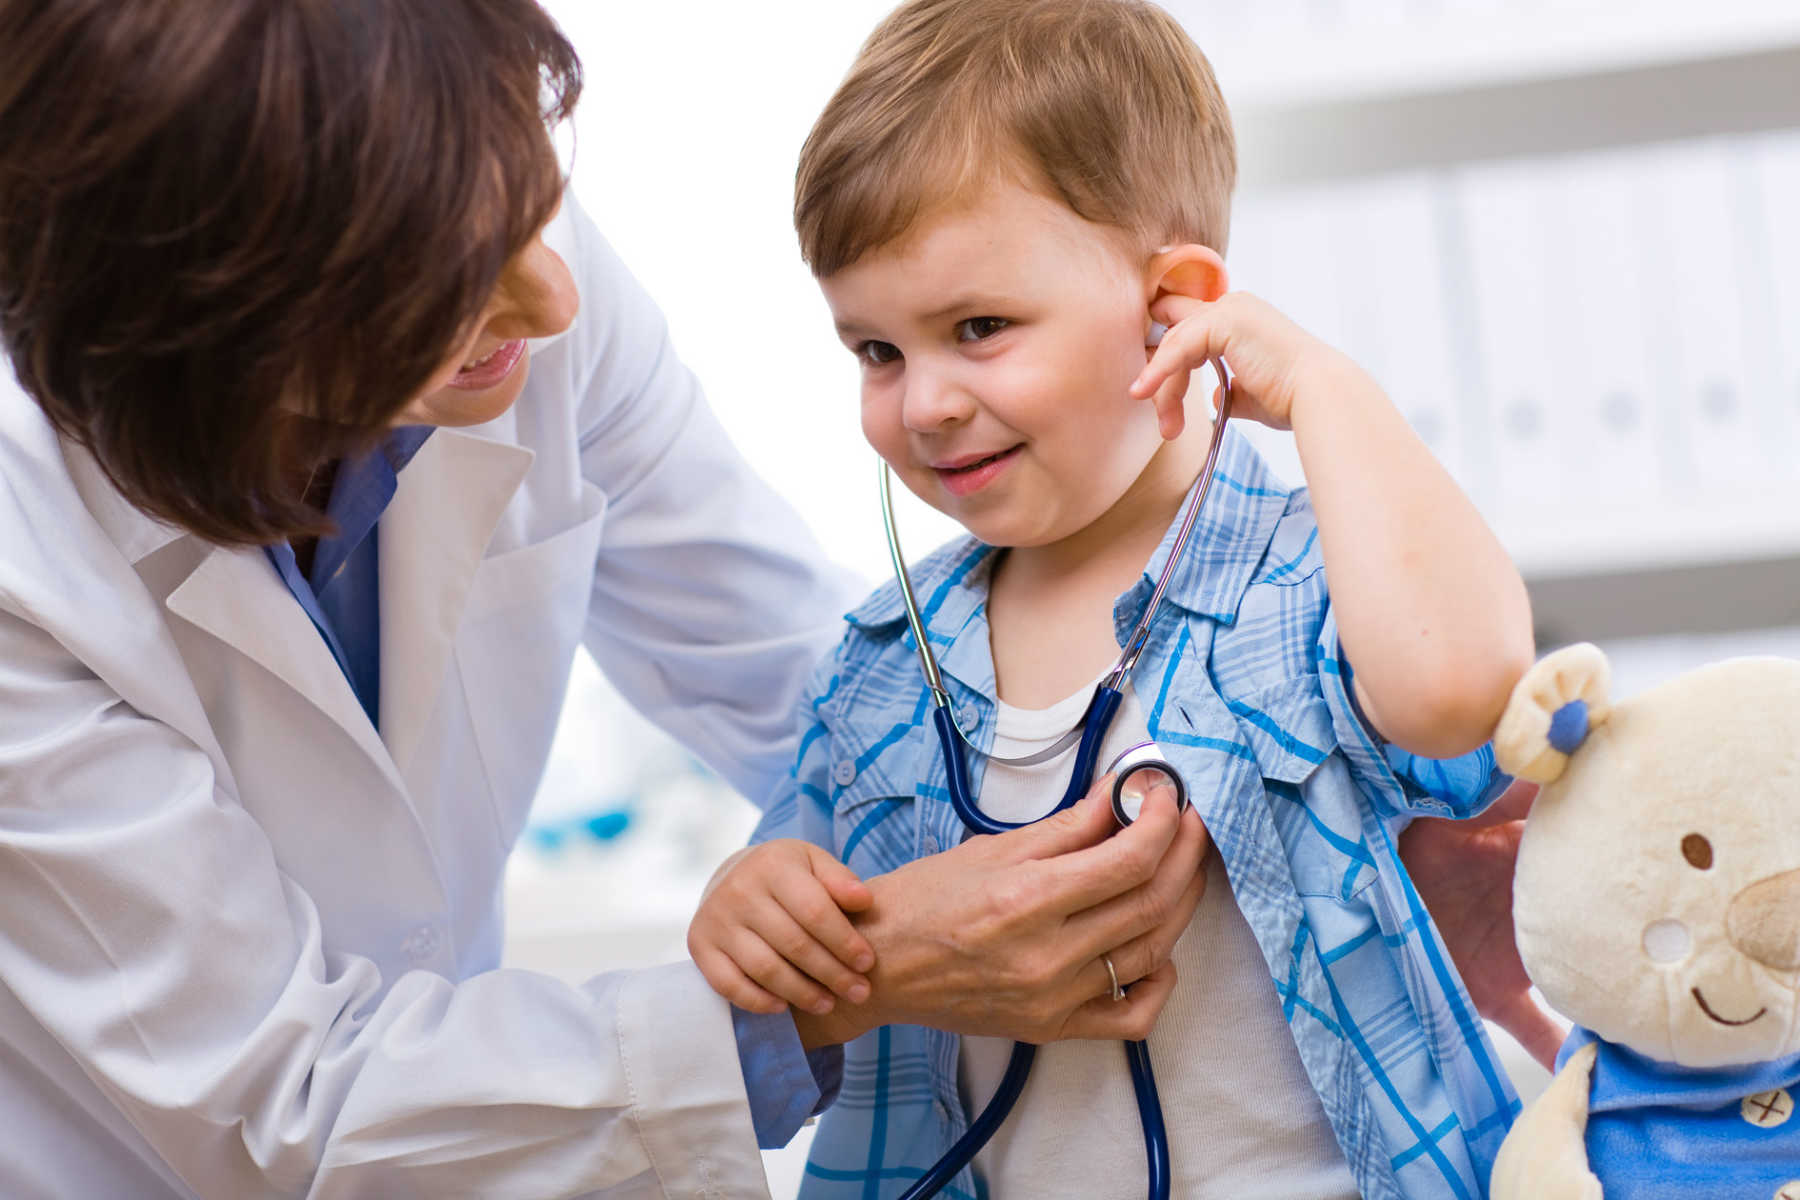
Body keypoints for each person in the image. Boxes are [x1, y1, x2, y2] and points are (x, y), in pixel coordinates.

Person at [0, 2, 1218, 1196]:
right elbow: (285, 1109)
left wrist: (1078, 807)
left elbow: (812, 689)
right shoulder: (27, 543)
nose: (554, 302)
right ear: (215, 327)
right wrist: (846, 965)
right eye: (443, 291)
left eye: (532, 199)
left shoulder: (490, 261)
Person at [686, 1, 1540, 1197]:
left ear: (1174, 307)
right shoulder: (880, 664)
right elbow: (793, 914)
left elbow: (1458, 692)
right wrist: (747, 903)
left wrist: (1328, 394)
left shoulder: (1308, 583)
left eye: (977, 329)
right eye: (876, 352)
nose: (921, 402)